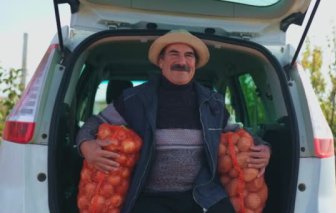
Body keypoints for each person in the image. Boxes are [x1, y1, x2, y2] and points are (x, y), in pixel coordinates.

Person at [76, 29, 271, 213]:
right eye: (174, 54)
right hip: (150, 196)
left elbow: (238, 132)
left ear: (195, 63)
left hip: (200, 194)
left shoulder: (212, 103)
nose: (182, 61)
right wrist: (85, 146)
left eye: (189, 55)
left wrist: (264, 148)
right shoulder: (134, 100)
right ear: (161, 61)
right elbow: (93, 124)